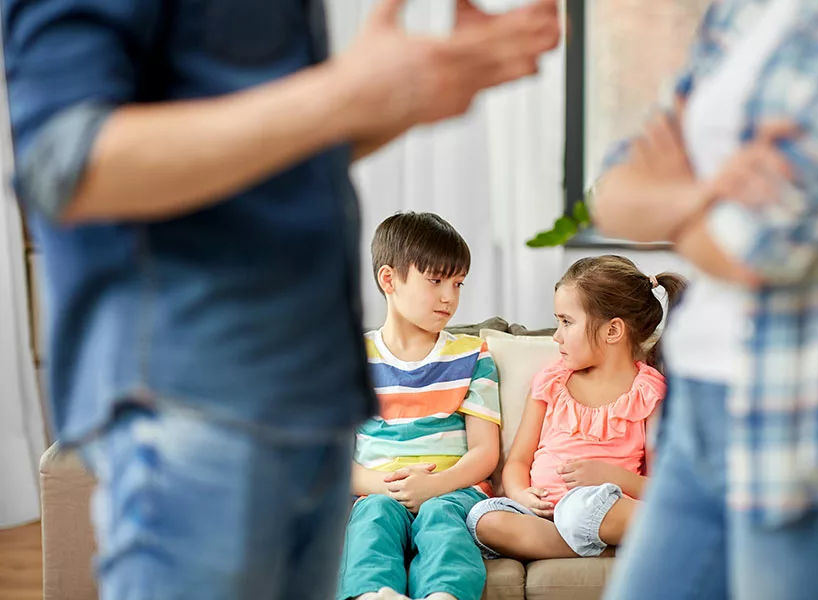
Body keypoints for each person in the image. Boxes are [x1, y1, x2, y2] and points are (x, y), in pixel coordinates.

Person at [2, 0, 560, 598]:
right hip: (196, 393)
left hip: (311, 394)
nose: (449, 294)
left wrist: (402, 97)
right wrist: (343, 94)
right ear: (389, 279)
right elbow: (66, 164)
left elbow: (269, 155)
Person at [592, 1, 818, 598]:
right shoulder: (740, 11)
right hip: (700, 406)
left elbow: (755, 247)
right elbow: (611, 191)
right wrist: (712, 193)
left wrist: (675, 193)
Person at [465, 256, 686, 561]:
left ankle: (620, 534)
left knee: (580, 510)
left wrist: (611, 476)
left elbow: (662, 487)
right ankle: (606, 549)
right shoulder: (551, 383)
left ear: (613, 331)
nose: (556, 336)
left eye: (566, 322)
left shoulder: (648, 393)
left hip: (599, 507)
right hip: (543, 516)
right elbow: (517, 461)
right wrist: (520, 494)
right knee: (483, 517)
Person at [336, 212, 501, 600]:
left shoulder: (473, 355)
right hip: (378, 491)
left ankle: (443, 596)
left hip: (454, 489)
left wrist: (435, 486)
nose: (450, 297)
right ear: (389, 279)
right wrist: (391, 488)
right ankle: (374, 594)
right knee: (372, 517)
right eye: (436, 280)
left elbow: (484, 451)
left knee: (441, 517)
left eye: (458, 283)